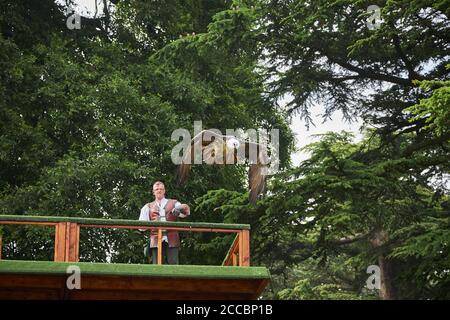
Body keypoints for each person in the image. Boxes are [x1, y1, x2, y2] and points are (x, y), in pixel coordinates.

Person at [139, 181, 190, 265]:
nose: (159, 191)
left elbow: (185, 213)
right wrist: (152, 224)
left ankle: (174, 278)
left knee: (173, 264)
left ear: (164, 191)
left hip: (172, 237)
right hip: (155, 238)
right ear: (153, 192)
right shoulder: (147, 207)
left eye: (161, 189)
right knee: (157, 265)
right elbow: (141, 227)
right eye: (157, 189)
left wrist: (181, 208)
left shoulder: (174, 203)